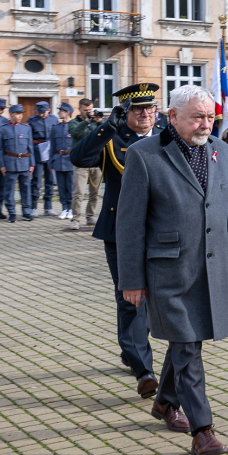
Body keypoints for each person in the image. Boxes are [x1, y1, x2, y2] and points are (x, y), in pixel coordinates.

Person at [117, 84, 228, 455]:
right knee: (187, 346)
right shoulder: (144, 155)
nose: (205, 123)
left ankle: (165, 402)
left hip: (209, 267)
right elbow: (129, 224)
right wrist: (131, 280)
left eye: (210, 116)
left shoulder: (221, 150)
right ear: (173, 117)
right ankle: (203, 430)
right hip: (167, 271)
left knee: (187, 341)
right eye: (197, 117)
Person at [72, 83, 163, 399]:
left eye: (150, 108)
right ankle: (144, 371)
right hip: (120, 233)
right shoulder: (114, 138)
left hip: (162, 233)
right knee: (131, 298)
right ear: (125, 113)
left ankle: (132, 346)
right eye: (137, 109)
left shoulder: (167, 138)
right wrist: (107, 126)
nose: (145, 114)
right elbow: (79, 157)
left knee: (156, 299)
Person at [0, 105, 35, 222]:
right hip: (10, 163)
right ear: (11, 114)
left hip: (24, 162)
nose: (20, 116)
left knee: (26, 189)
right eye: (17, 113)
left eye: (21, 113)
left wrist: (32, 164)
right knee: (9, 190)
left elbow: (30, 148)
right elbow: (0, 150)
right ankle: (11, 212)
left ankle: (26, 212)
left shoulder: (26, 128)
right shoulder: (2, 129)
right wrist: (2, 165)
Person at [69, 99, 103, 230]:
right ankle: (75, 219)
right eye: (86, 110)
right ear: (80, 109)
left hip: (96, 162)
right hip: (81, 164)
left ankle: (90, 216)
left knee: (95, 193)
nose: (89, 112)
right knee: (79, 193)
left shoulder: (97, 122)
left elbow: (109, 132)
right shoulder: (74, 122)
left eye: (90, 110)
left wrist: (99, 121)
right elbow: (75, 133)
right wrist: (86, 121)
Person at [28, 101, 57, 216]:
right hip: (37, 153)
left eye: (43, 112)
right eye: (39, 112)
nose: (41, 114)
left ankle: (48, 207)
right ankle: (33, 207)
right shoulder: (31, 120)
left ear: (48, 110)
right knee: (36, 181)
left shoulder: (54, 120)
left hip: (49, 152)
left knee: (50, 181)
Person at [50, 102, 75, 220]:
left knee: (70, 186)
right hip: (58, 160)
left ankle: (71, 209)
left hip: (70, 160)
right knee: (61, 187)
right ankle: (64, 208)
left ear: (67, 113)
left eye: (61, 111)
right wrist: (51, 162)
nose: (59, 113)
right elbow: (52, 146)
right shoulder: (55, 128)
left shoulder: (74, 126)